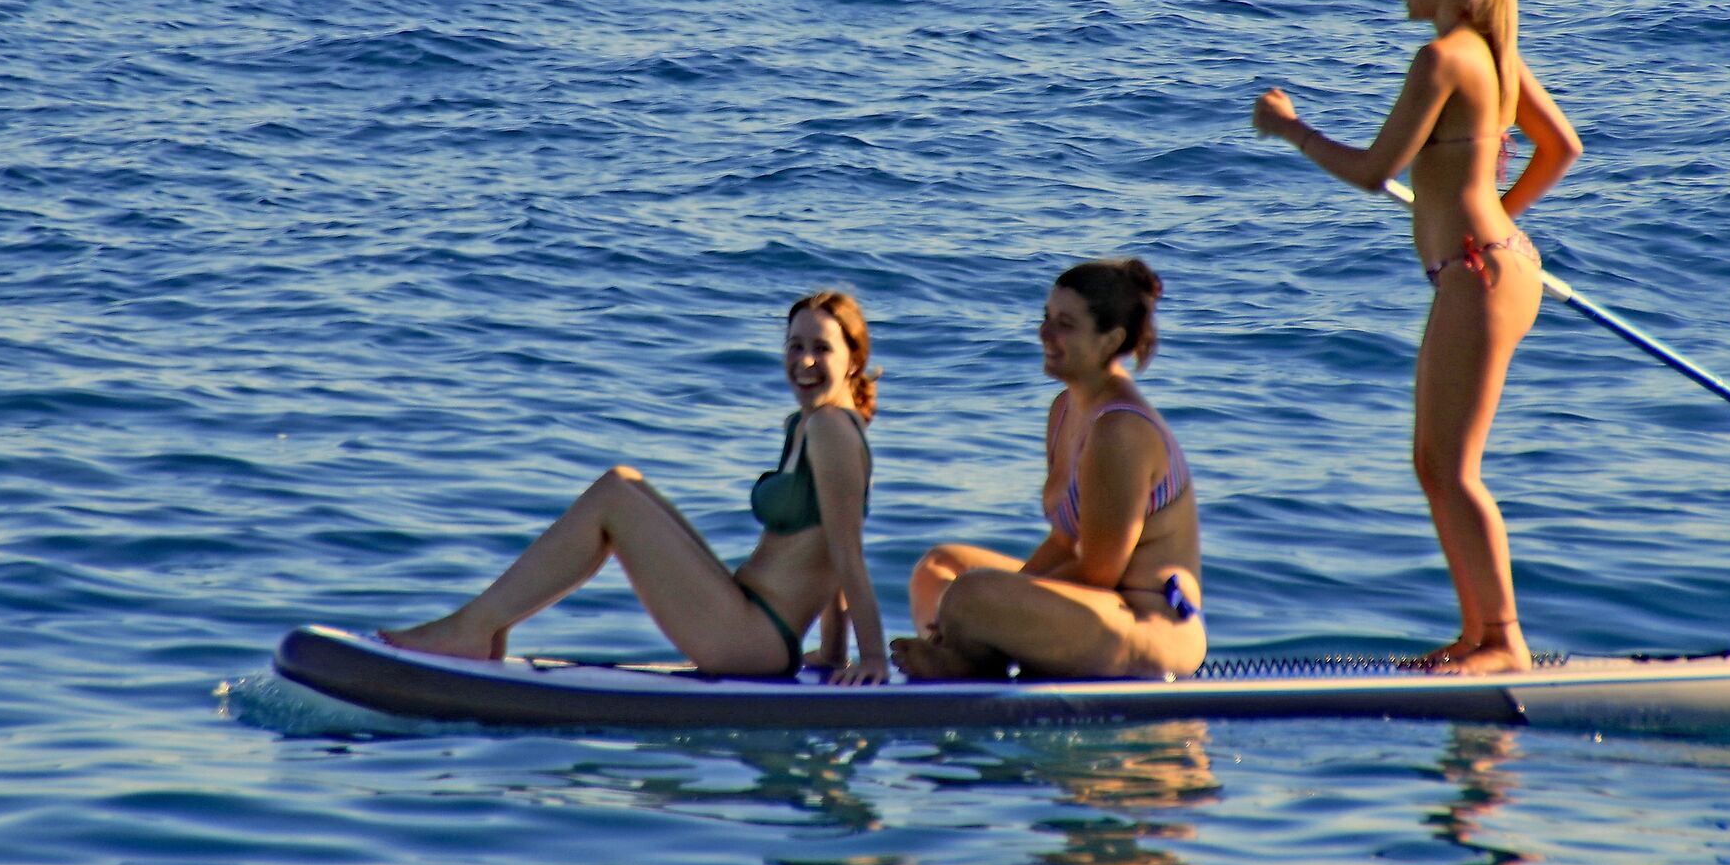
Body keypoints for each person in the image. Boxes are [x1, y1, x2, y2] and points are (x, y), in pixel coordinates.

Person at [1252, 0, 1582, 675]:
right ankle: (1478, 634)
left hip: (1477, 276)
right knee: (1434, 464)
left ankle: (1502, 641)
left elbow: (1374, 172)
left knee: (1453, 468)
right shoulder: (1494, 55)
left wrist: (1292, 130)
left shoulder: (1443, 60)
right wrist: (1501, 216)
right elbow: (1561, 147)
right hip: (1492, 264)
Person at [379, 292, 890, 685]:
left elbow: (847, 554)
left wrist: (870, 658)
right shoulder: (807, 424)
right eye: (794, 345)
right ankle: (481, 626)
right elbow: (824, 549)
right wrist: (830, 654)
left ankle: (475, 627)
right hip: (751, 618)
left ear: (852, 359)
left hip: (751, 640)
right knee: (624, 482)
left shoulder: (831, 431)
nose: (803, 361)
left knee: (614, 499)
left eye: (821, 348)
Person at [890, 259, 1204, 682]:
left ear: (1110, 340)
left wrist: (985, 605)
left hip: (1148, 627)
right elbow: (1064, 541)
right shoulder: (1065, 410)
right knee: (939, 570)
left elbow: (1099, 573)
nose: (1044, 333)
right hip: (1095, 612)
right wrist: (998, 602)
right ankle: (965, 656)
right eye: (1046, 318)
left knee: (968, 595)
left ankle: (962, 661)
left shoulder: (1119, 430)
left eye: (1065, 324)